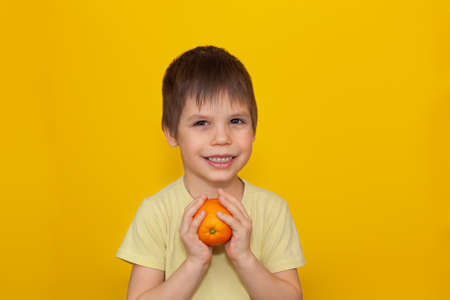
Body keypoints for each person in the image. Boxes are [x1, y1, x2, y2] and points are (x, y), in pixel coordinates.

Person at [116, 45, 306, 300]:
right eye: (201, 123)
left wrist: (244, 258)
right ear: (171, 133)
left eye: (236, 121)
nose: (221, 138)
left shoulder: (273, 210)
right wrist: (194, 263)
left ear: (254, 129)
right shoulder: (156, 212)